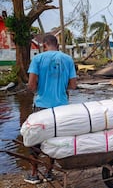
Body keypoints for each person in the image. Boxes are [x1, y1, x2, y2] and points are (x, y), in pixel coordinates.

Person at [24, 34, 77, 184]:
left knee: (34, 140)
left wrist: (37, 88)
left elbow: (32, 85)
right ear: (57, 45)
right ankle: (49, 172)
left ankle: (34, 175)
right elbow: (73, 85)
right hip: (61, 108)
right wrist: (60, 87)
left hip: (42, 107)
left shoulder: (38, 59)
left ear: (44, 45)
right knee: (54, 140)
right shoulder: (67, 59)